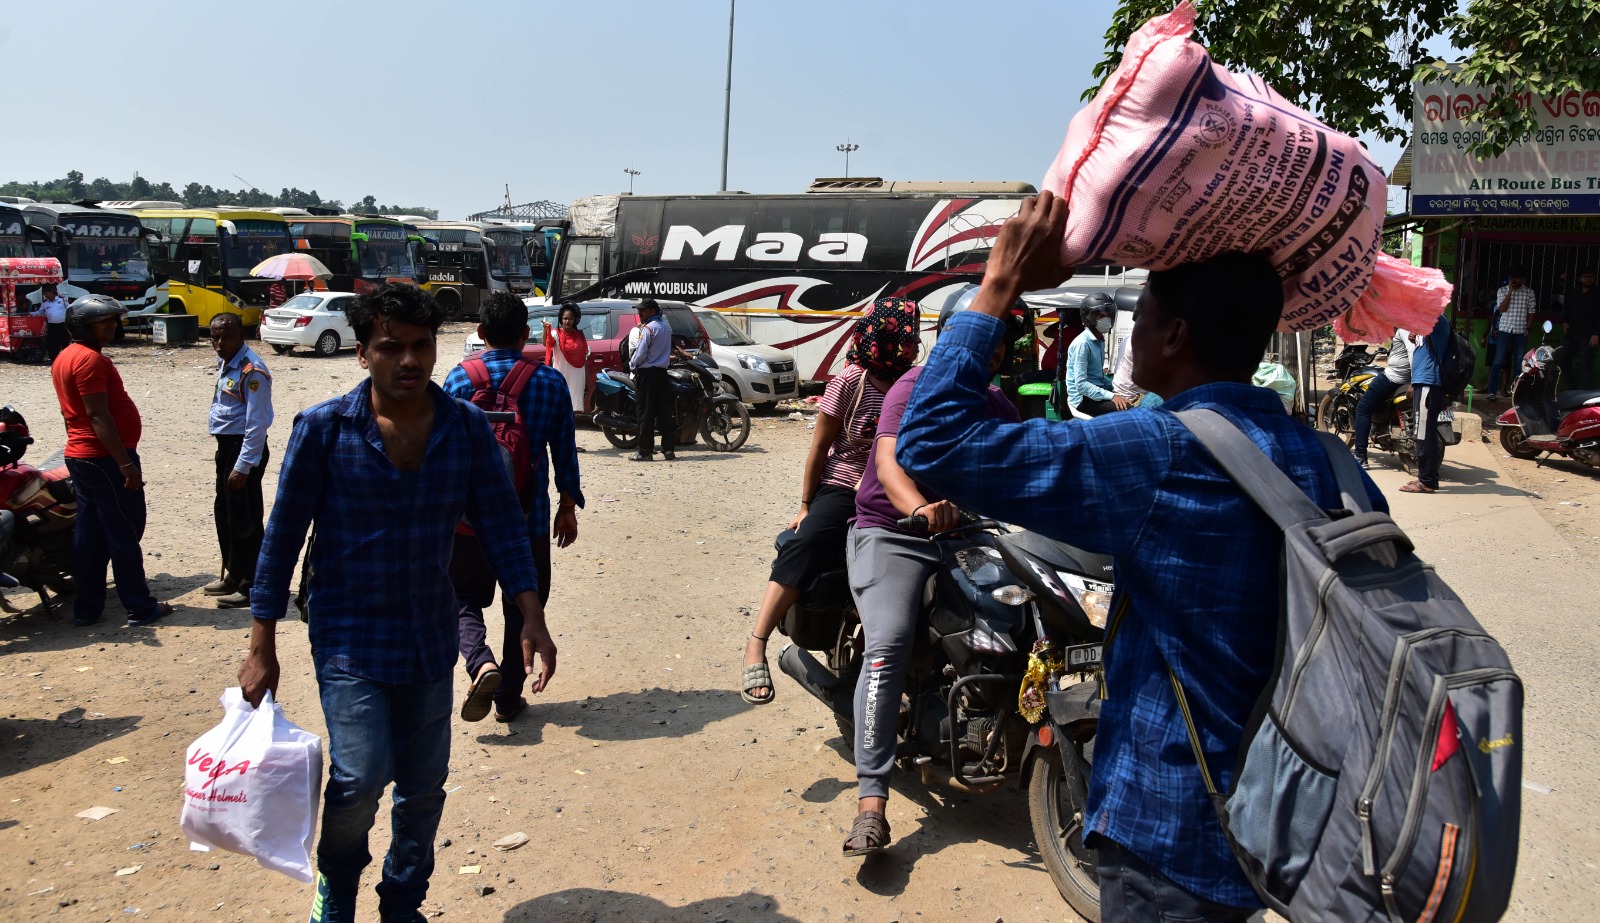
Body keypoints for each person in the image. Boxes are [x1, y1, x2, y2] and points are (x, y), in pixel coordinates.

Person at [894, 191, 1387, 921]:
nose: (1132, 334)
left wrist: (998, 282)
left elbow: (931, 439)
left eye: (1144, 315)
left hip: (1172, 831)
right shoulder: (1325, 458)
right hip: (1282, 817)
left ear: (1175, 335)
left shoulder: (1159, 451)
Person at [236, 283, 556, 923]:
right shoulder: (324, 430)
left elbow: (502, 525)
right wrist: (260, 645)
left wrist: (532, 616)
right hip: (348, 632)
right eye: (391, 348)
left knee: (422, 787)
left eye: (420, 346)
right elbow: (281, 537)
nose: (409, 361)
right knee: (358, 777)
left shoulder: (466, 430)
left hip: (430, 634)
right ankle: (338, 887)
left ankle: (402, 904)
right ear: (363, 354)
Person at [841, 306, 1018, 856]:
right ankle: (871, 803)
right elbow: (889, 464)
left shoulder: (992, 401)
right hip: (893, 531)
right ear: (948, 344)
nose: (989, 361)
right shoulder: (910, 388)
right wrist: (921, 508)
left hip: (966, 533)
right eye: (979, 349)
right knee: (888, 643)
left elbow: (1028, 456)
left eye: (995, 351)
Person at [740, 297, 920, 705]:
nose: (911, 346)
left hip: (899, 489)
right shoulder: (850, 382)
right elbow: (820, 450)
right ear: (882, 336)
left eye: (912, 338)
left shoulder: (913, 382)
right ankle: (756, 642)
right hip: (847, 486)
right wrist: (806, 506)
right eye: (904, 338)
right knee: (805, 544)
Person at [445, 291, 583, 723]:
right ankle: (507, 694)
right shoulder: (548, 381)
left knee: (461, 596)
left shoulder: (457, 380)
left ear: (481, 332)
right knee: (524, 603)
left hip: (467, 520)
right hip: (528, 517)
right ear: (526, 334)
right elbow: (564, 451)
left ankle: (479, 660)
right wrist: (567, 505)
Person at [50, 295, 173, 629]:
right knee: (124, 532)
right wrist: (124, 463)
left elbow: (70, 413)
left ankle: (87, 609)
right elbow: (97, 415)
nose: (112, 326)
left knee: (89, 535)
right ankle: (140, 607)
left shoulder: (65, 357)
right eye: (103, 321)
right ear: (83, 325)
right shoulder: (90, 360)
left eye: (113, 320)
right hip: (103, 458)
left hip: (82, 455)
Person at [203, 314, 273, 609]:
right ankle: (234, 573)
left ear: (240, 336)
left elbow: (257, 424)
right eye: (214, 337)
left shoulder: (252, 370)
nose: (219, 343)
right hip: (226, 446)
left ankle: (252, 585)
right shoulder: (227, 362)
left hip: (242, 448)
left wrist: (243, 466)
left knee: (245, 519)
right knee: (226, 514)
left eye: (226, 337)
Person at [1402, 314, 1453, 495]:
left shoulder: (1436, 318)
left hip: (1429, 383)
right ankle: (1426, 476)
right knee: (1423, 433)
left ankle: (1427, 482)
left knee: (1423, 434)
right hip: (1423, 382)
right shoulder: (1427, 322)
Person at [1350, 329, 1411, 468]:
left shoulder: (1406, 329)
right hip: (1406, 377)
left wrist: (1416, 381)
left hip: (1395, 377)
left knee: (1362, 409)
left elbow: (1412, 353)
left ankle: (1360, 456)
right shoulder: (1423, 326)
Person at [628, 298, 675, 461]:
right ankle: (668, 450)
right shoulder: (666, 328)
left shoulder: (648, 329)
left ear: (652, 311)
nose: (639, 313)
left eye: (643, 310)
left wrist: (632, 365)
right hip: (662, 374)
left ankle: (645, 451)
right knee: (665, 413)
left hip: (647, 375)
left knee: (645, 414)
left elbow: (640, 354)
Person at [1485, 267, 1535, 399]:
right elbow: (1502, 309)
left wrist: (1528, 329)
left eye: (1519, 278)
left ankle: (1516, 392)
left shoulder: (1529, 293)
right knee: (1498, 361)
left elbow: (1531, 312)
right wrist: (1510, 292)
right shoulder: (1502, 290)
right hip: (1505, 330)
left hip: (1521, 331)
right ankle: (1492, 392)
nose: (1517, 281)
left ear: (1523, 279)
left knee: (1519, 362)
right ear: (1510, 279)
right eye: (1514, 278)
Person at [1064, 292, 1118, 416]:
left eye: (1109, 314)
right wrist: (1112, 396)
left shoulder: (1100, 340)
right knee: (1126, 409)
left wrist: (1116, 388)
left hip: (1095, 395)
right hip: (1083, 399)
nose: (1106, 319)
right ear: (1088, 317)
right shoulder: (1082, 343)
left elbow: (1098, 377)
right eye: (1100, 315)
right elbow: (1081, 385)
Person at [543, 301, 590, 414]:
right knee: (559, 405)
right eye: (565, 318)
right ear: (561, 319)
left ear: (575, 320)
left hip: (577, 375)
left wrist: (587, 377)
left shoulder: (580, 335)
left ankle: (570, 428)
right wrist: (545, 330)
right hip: (561, 375)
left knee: (573, 408)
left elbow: (584, 358)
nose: (567, 321)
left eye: (570, 318)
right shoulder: (556, 334)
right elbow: (546, 343)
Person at [1562, 268, 1599, 390]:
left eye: (1591, 277)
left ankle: (1583, 393)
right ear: (1579, 278)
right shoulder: (1574, 293)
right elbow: (1567, 309)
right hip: (1572, 334)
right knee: (1564, 362)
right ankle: (1572, 389)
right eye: (1585, 277)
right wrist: (1565, 322)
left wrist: (1596, 334)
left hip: (1588, 335)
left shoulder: (1597, 294)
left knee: (1586, 365)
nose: (1588, 279)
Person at [31, 283, 71, 362]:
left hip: (63, 325)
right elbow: (40, 312)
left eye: (47, 293)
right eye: (44, 294)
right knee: (52, 343)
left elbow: (69, 308)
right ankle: (53, 359)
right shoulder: (45, 303)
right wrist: (31, 314)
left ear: (52, 292)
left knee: (65, 342)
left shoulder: (62, 299)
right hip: (52, 326)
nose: (46, 296)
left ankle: (66, 359)